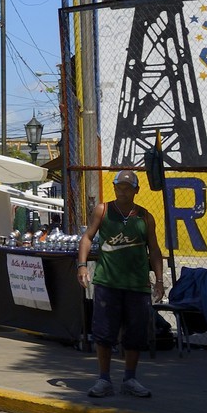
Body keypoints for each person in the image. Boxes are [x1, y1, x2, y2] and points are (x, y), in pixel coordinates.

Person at [77, 169, 166, 399]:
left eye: (127, 187)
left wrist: (159, 279)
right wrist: (82, 265)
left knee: (135, 334)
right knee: (104, 333)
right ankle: (104, 379)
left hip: (137, 285)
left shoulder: (145, 217)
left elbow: (154, 250)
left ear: (136, 190)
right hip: (108, 282)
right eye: (119, 186)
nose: (122, 191)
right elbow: (87, 237)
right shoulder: (103, 210)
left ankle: (130, 378)